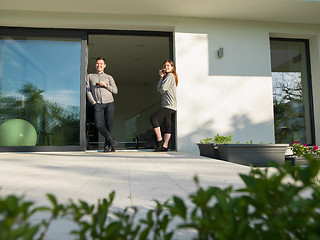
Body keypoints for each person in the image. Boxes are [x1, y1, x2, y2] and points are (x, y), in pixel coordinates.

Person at [86, 57, 118, 152]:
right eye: (97, 63)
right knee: (99, 125)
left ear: (104, 66)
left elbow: (115, 91)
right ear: (95, 64)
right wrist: (93, 102)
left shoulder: (109, 77)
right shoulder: (89, 76)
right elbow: (88, 91)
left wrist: (106, 85)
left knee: (109, 125)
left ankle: (108, 146)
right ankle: (112, 141)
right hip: (98, 103)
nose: (99, 65)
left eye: (101, 64)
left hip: (109, 102)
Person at [150, 60, 178, 152]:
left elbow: (162, 89)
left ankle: (160, 141)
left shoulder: (170, 76)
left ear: (172, 67)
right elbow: (159, 89)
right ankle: (164, 147)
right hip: (170, 106)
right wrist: (161, 77)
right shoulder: (167, 77)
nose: (166, 67)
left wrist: (162, 81)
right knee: (167, 126)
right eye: (165, 66)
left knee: (153, 118)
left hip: (169, 106)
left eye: (168, 66)